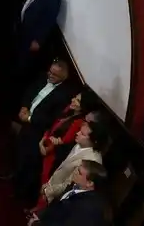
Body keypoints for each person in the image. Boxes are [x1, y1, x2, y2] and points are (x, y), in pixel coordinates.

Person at [10, 61, 75, 198]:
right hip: (25, 119)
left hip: (37, 131)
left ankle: (19, 191)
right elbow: (29, 92)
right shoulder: (42, 77)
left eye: (55, 75)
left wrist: (29, 119)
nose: (50, 76)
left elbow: (51, 120)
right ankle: (11, 172)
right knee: (16, 148)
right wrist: (24, 107)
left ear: (63, 77)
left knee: (27, 160)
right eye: (50, 72)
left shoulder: (64, 95)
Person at [33, 90, 96, 210]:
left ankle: (37, 210)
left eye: (77, 100)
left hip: (53, 156)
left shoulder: (80, 122)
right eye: (75, 97)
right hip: (45, 146)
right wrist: (43, 140)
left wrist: (48, 147)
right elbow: (52, 127)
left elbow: (63, 142)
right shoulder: (68, 110)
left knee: (45, 182)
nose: (73, 100)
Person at [36, 120, 107, 214]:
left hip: (59, 199)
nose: (77, 133)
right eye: (79, 131)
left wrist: (48, 191)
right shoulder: (79, 144)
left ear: (94, 141)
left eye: (82, 134)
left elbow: (70, 184)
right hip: (53, 186)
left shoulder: (91, 161)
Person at [17, 0, 62, 77]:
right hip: (19, 27)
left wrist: (38, 40)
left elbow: (48, 20)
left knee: (22, 60)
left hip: (31, 35)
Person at [35, 160, 106, 225]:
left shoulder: (84, 207)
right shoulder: (75, 185)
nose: (75, 171)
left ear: (89, 183)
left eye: (79, 172)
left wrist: (37, 224)